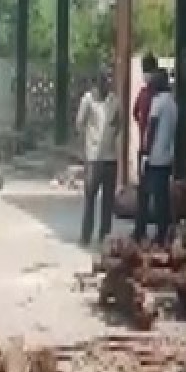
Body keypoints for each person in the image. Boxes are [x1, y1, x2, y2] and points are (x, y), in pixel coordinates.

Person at [74, 68, 120, 246]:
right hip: (93, 157)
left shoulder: (114, 101)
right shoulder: (88, 100)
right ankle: (86, 235)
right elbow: (79, 124)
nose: (105, 84)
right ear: (96, 83)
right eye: (103, 80)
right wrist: (86, 146)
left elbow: (119, 123)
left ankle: (105, 235)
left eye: (107, 80)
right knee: (90, 198)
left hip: (110, 158)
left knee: (108, 201)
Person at [134, 67, 178, 244]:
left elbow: (151, 128)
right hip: (167, 156)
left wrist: (145, 152)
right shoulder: (173, 104)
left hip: (154, 157)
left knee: (144, 195)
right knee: (163, 198)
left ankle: (141, 232)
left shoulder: (158, 103)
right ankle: (163, 232)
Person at [132, 52, 159, 180]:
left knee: (145, 180)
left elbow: (135, 113)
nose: (146, 74)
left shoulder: (152, 95)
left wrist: (142, 123)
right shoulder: (146, 93)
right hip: (149, 145)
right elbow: (135, 112)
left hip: (150, 145)